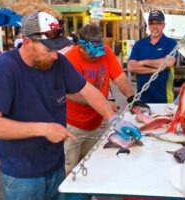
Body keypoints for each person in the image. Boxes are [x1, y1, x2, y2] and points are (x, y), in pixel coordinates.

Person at [0, 11, 139, 200]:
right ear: (27, 42)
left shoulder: (58, 62)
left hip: (56, 166)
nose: (55, 56)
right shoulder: (4, 67)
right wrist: (43, 129)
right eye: (49, 50)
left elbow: (88, 91)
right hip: (22, 175)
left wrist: (113, 119)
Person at [63, 23, 150, 176]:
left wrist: (131, 97)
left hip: (96, 123)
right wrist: (103, 103)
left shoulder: (107, 52)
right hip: (73, 125)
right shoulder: (69, 59)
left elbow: (120, 77)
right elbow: (69, 93)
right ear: (80, 48)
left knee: (90, 164)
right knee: (69, 168)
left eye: (99, 52)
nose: (97, 56)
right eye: (92, 53)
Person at [128, 10, 177, 103]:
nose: (155, 27)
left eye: (158, 23)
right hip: (142, 101)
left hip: (165, 101)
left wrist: (143, 62)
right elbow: (131, 67)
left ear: (163, 25)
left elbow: (168, 62)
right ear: (148, 25)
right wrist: (156, 70)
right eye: (151, 23)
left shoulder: (170, 43)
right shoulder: (139, 44)